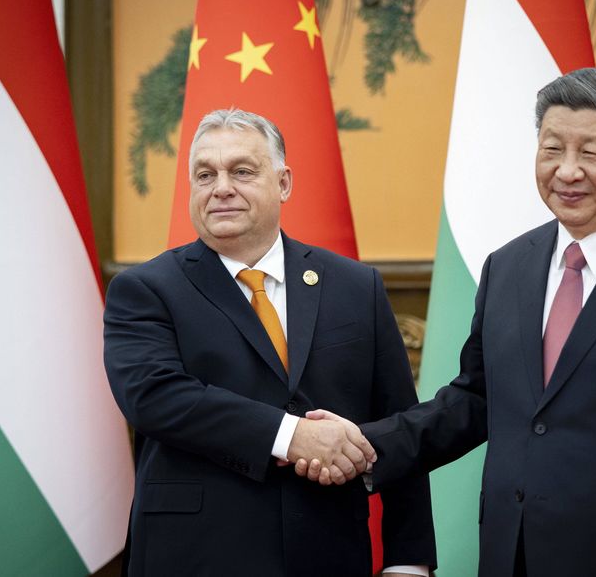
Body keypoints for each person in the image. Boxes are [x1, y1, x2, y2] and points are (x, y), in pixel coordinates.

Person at [301, 68, 596, 576]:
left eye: (589, 153)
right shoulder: (509, 266)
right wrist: (366, 446)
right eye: (552, 150)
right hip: (511, 555)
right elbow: (475, 400)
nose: (567, 171)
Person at [104, 108, 435, 576]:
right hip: (195, 556)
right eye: (205, 175)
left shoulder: (355, 286)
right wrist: (291, 436)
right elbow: (154, 397)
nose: (221, 188)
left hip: (328, 553)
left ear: (283, 183)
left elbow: (398, 421)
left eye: (241, 171)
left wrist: (409, 559)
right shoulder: (146, 289)